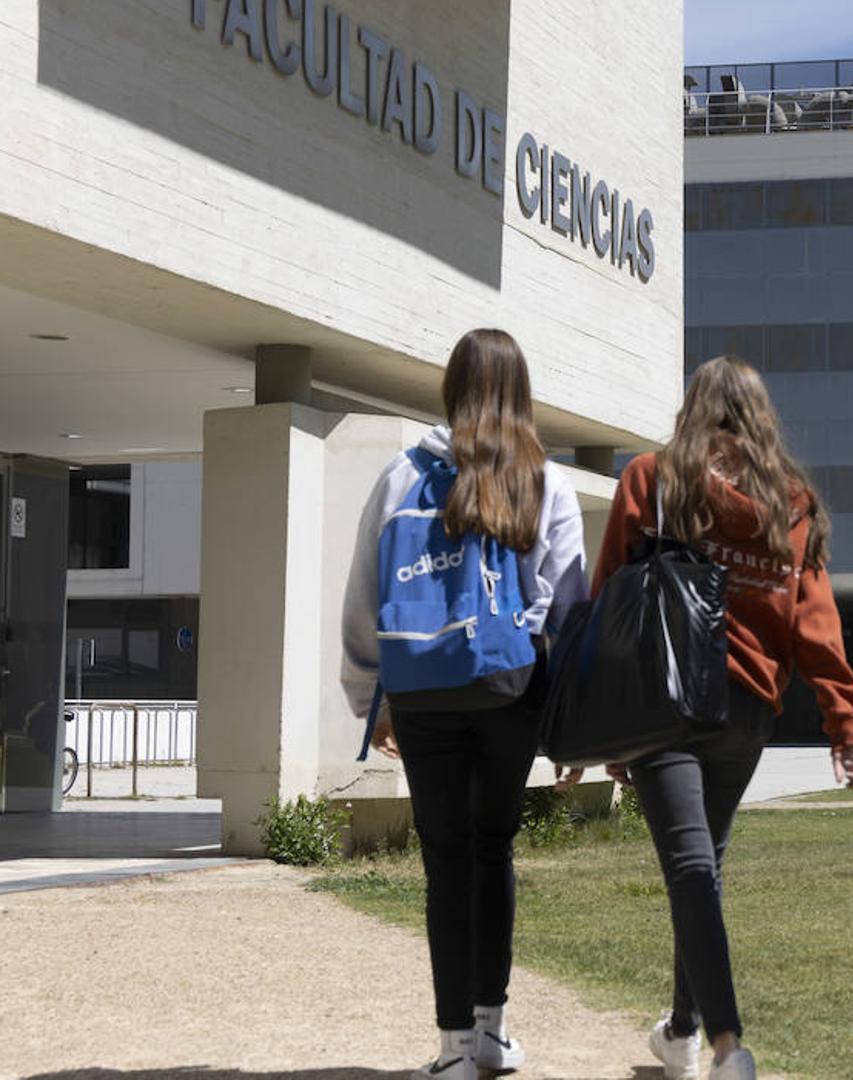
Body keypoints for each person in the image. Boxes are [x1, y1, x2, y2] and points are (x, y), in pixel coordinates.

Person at [576, 355, 853, 1080]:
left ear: (693, 409)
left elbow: (609, 591)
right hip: (747, 713)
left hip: (665, 703)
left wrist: (594, 711)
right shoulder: (791, 505)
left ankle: (728, 1047)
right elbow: (815, 627)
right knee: (700, 867)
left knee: (691, 867)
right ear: (761, 420)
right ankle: (680, 1031)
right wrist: (844, 722)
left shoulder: (653, 480)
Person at [342, 328, 589, 1080]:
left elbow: (366, 591)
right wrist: (567, 723)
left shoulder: (401, 475)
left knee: (444, 860)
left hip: (421, 692)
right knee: (494, 848)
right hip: (510, 692)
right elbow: (565, 606)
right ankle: (493, 1031)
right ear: (521, 392)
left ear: (452, 388)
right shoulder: (546, 481)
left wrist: (369, 695)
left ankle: (452, 1049)